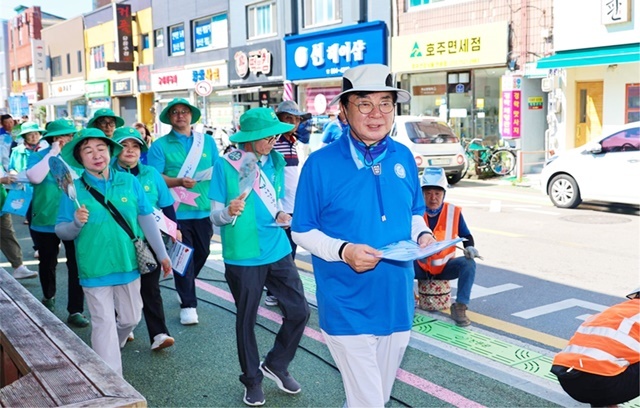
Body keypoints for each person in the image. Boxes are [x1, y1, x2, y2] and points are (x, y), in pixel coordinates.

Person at [291, 64, 436, 407]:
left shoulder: (403, 155)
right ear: (344, 110)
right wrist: (344, 251)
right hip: (345, 303)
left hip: (397, 300)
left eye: (385, 103)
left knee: (373, 399)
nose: (376, 114)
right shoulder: (320, 164)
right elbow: (301, 231)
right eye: (365, 104)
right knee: (369, 402)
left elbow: (414, 212)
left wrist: (424, 234)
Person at [208, 107, 310, 406]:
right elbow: (214, 216)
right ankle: (252, 379)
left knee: (300, 311)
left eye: (275, 135)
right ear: (250, 138)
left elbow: (274, 202)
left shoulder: (276, 160)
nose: (273, 141)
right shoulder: (225, 165)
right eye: (268, 136)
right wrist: (229, 212)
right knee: (246, 321)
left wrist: (280, 214)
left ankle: (276, 363)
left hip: (277, 248)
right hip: (243, 254)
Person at [55, 128, 171, 376]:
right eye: (88, 151)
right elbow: (62, 231)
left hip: (128, 264)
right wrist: (75, 223)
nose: (96, 155)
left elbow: (146, 218)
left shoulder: (130, 182)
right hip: (94, 268)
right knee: (103, 324)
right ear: (80, 158)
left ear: (110, 151)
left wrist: (162, 255)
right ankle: (112, 382)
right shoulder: (74, 190)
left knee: (130, 318)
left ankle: (109, 348)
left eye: (101, 148)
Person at [147, 98, 218, 325]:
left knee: (202, 252)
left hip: (203, 209)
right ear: (169, 117)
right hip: (175, 211)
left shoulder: (207, 142)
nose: (180, 115)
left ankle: (184, 284)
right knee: (183, 256)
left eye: (184, 111)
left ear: (192, 115)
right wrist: (178, 181)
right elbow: (154, 178)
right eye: (175, 112)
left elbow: (219, 171)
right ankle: (188, 305)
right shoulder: (159, 145)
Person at [113, 126, 177, 351]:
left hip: (149, 240)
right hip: (117, 242)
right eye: (124, 145)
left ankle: (159, 333)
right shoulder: (106, 175)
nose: (130, 150)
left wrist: (174, 230)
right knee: (120, 286)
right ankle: (122, 325)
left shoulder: (151, 173)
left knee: (151, 287)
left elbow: (167, 206)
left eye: (135, 146)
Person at [25, 119, 88, 326]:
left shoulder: (78, 159)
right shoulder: (38, 156)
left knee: (75, 264)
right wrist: (53, 153)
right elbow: (35, 178)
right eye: (61, 136)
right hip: (45, 219)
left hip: (73, 219)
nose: (66, 139)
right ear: (52, 138)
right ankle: (48, 296)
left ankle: (75, 310)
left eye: (69, 135)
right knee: (47, 262)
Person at [413, 166, 480, 326]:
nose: (433, 198)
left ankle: (460, 307)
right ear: (421, 194)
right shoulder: (414, 213)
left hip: (444, 268)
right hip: (419, 267)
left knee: (468, 263)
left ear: (444, 194)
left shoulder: (453, 212)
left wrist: (469, 247)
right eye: (428, 193)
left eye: (437, 193)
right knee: (400, 266)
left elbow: (466, 235)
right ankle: (407, 303)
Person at [551, 288, 639, 406]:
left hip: (568, 379)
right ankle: (607, 399)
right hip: (605, 385)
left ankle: (607, 404)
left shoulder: (615, 310)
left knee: (611, 362)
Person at [263, 100, 311, 307]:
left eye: (296, 119)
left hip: (293, 207)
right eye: (288, 118)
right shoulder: (273, 142)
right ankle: (274, 291)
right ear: (279, 119)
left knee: (290, 250)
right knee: (281, 252)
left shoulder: (295, 142)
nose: (293, 123)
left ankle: (277, 290)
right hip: (278, 208)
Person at [0, 167, 37, 279]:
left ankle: (18, 267)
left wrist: (9, 176)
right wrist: (2, 180)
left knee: (7, 234)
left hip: (2, 205)